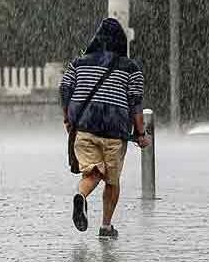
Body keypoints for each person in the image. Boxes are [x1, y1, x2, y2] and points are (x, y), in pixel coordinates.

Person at [60, 17, 150, 239]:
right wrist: (141, 134)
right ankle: (106, 227)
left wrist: (68, 118)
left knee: (92, 173)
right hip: (114, 133)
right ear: (122, 41)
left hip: (85, 129)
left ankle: (81, 195)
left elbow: (64, 90)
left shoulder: (78, 63)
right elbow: (135, 104)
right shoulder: (131, 68)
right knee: (111, 180)